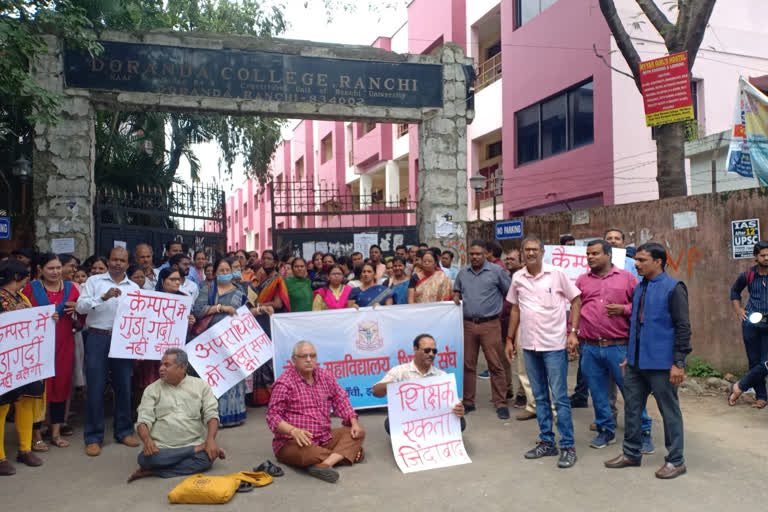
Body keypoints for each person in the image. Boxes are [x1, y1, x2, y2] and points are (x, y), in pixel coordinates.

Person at [604, 242, 691, 480]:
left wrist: (678, 363)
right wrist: (629, 357)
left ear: (658, 261)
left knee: (669, 411)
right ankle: (631, 453)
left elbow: (683, 328)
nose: (637, 264)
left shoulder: (674, 288)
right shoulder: (640, 288)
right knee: (632, 408)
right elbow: (636, 325)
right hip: (635, 363)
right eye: (636, 260)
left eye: (642, 260)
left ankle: (676, 460)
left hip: (663, 364)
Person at [505, 235, 581, 468]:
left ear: (542, 251)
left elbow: (576, 300)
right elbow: (516, 309)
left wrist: (573, 332)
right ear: (521, 252)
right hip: (529, 345)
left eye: (534, 249)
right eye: (526, 250)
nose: (530, 253)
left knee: (559, 398)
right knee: (539, 397)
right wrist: (509, 338)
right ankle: (547, 442)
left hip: (554, 346)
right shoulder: (518, 277)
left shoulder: (556, 274)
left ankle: (568, 446)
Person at [575, 240, 654, 452]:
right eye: (588, 254)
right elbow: (575, 308)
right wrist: (572, 335)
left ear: (608, 255)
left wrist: (624, 309)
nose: (590, 257)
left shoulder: (627, 279)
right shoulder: (582, 281)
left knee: (631, 393)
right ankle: (605, 430)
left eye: (595, 253)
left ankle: (644, 432)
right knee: (599, 394)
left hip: (618, 346)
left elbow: (641, 307)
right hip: (590, 347)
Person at [266, 340, 365, 484]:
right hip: (293, 442)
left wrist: (354, 422)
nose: (308, 360)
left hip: (324, 438)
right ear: (294, 359)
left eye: (312, 356)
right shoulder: (285, 383)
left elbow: (340, 398)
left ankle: (324, 464)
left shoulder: (324, 375)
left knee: (355, 433)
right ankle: (344, 455)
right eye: (303, 356)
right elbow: (272, 416)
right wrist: (294, 431)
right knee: (308, 453)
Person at [75, 247, 141, 456]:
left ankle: (124, 431)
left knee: (124, 386)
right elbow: (80, 307)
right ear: (108, 260)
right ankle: (93, 437)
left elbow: (141, 316)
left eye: (122, 260)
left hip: (123, 340)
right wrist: (102, 298)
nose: (118, 263)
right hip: (98, 337)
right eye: (114, 259)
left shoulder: (134, 287)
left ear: (127, 264)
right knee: (95, 387)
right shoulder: (93, 282)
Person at [128, 348, 224, 483]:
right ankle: (195, 450)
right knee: (144, 458)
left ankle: (155, 470)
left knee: (206, 460)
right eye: (161, 364)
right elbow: (143, 421)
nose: (161, 368)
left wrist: (211, 440)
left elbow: (211, 414)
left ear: (182, 368)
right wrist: (147, 440)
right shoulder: (152, 390)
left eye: (167, 365)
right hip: (163, 448)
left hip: (192, 440)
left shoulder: (201, 385)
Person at [23, 253, 80, 449]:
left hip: (64, 345)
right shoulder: (31, 289)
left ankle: (55, 432)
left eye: (58, 268)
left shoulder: (72, 289)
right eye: (50, 268)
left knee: (60, 387)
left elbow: (81, 320)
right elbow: (21, 317)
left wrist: (76, 310)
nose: (55, 272)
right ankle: (36, 435)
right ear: (41, 270)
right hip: (37, 348)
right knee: (38, 390)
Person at [453, 240, 512, 420]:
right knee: (468, 364)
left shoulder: (496, 271)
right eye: (472, 254)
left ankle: (500, 402)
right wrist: (456, 296)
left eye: (479, 254)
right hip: (468, 324)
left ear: (486, 254)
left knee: (495, 364)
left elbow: (510, 293)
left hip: (490, 324)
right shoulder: (463, 273)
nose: (475, 257)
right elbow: (457, 291)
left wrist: (499, 312)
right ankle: (469, 402)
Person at [0, 259, 43, 475]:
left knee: (26, 401)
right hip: (5, 363)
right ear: (16, 277)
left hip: (23, 362)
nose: (28, 279)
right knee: (2, 407)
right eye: (26, 276)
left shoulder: (22, 297)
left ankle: (25, 449)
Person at [193, 258, 248, 427]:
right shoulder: (207, 288)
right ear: (215, 273)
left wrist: (261, 309)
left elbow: (246, 312)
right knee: (215, 378)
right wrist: (221, 308)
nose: (224, 273)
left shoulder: (240, 290)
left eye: (227, 270)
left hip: (233, 340)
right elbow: (198, 310)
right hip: (211, 341)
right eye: (221, 271)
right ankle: (214, 417)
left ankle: (234, 415)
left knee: (233, 376)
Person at [372, 334, 465, 433]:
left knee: (461, 422)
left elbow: (454, 404)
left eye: (434, 351)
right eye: (427, 350)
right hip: (409, 420)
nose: (431, 354)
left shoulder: (441, 376)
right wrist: (392, 385)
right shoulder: (399, 372)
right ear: (415, 349)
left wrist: (459, 409)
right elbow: (376, 392)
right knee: (389, 424)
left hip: (433, 419)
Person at [730, 240, 768, 409]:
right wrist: (738, 310)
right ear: (755, 256)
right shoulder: (749, 275)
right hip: (751, 323)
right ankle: (761, 397)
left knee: (765, 362)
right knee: (754, 361)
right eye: (763, 255)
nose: (766, 258)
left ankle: (740, 386)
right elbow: (734, 291)